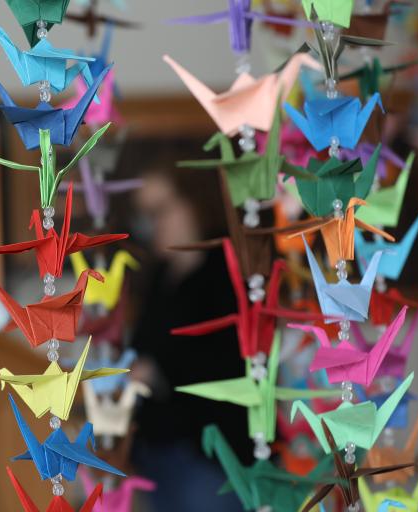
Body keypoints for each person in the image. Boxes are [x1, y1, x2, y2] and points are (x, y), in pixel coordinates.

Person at [129, 163, 249, 511]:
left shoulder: (226, 276)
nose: (151, 225)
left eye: (160, 210)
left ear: (193, 205)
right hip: (159, 453)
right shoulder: (159, 278)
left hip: (210, 455)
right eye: (144, 215)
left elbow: (227, 365)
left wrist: (156, 371)